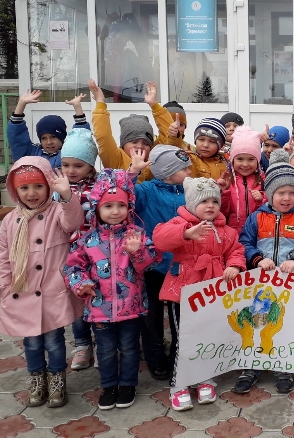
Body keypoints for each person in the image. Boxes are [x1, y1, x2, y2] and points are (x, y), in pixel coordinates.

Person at [0, 157, 85, 408]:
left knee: (54, 341)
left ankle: (57, 380)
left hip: (51, 289)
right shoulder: (11, 220)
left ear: (48, 185)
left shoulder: (57, 212)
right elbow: (2, 255)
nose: (31, 193)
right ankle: (37, 379)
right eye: (24, 188)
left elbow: (73, 222)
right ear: (15, 190)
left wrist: (67, 196)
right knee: (31, 342)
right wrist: (2, 285)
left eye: (38, 186)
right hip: (22, 290)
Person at [65, 169, 159, 410]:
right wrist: (81, 285)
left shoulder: (136, 235)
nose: (115, 211)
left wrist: (137, 252)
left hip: (131, 308)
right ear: (97, 208)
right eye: (108, 206)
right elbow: (73, 268)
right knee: (106, 350)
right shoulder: (88, 240)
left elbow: (148, 264)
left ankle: (128, 385)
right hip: (100, 309)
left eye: (121, 205)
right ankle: (108, 386)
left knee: (129, 348)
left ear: (129, 207)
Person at [154, 177, 246, 411]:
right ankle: (179, 383)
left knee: (209, 336)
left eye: (214, 201)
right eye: (204, 201)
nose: (210, 205)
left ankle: (205, 378)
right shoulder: (179, 223)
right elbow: (160, 239)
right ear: (192, 203)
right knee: (183, 338)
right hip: (183, 292)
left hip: (213, 292)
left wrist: (234, 265)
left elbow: (236, 250)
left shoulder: (225, 230)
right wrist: (185, 233)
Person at [233, 149, 294, 394]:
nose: (287, 198)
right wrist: (257, 259)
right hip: (260, 285)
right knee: (257, 322)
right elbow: (245, 243)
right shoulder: (256, 218)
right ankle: (251, 366)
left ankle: (283, 366)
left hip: (289, 285)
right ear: (270, 193)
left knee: (283, 323)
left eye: (292, 192)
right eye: (281, 192)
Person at [129, 144, 193, 382]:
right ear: (167, 172)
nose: (189, 172)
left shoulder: (189, 191)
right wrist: (133, 173)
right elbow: (125, 196)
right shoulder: (146, 190)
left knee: (180, 316)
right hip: (152, 265)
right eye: (184, 168)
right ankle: (155, 358)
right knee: (152, 316)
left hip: (180, 265)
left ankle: (179, 356)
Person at [56, 128, 101, 371]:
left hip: (99, 252)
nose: (71, 171)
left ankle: (103, 343)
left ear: (91, 166)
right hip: (72, 253)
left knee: (99, 296)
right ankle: (82, 344)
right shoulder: (58, 188)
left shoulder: (100, 186)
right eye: (66, 165)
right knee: (78, 298)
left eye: (78, 165)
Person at [88, 79, 180, 183]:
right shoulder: (115, 159)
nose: (140, 146)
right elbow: (103, 136)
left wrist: (155, 105)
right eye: (134, 141)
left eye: (146, 143)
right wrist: (100, 102)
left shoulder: (154, 158)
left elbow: (167, 138)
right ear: (124, 144)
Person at [8, 91, 90, 169]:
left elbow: (81, 137)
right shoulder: (31, 153)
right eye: (44, 138)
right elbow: (16, 138)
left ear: (62, 137)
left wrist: (77, 106)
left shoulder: (70, 153)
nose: (49, 142)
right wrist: (21, 104)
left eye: (53, 137)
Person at [218, 126, 267, 234]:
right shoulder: (227, 180)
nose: (245, 164)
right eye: (240, 159)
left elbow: (271, 209)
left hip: (258, 232)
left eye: (251, 159)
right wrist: (222, 192)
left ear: (258, 161)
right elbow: (221, 212)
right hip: (232, 233)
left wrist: (261, 200)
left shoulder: (264, 181)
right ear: (232, 160)